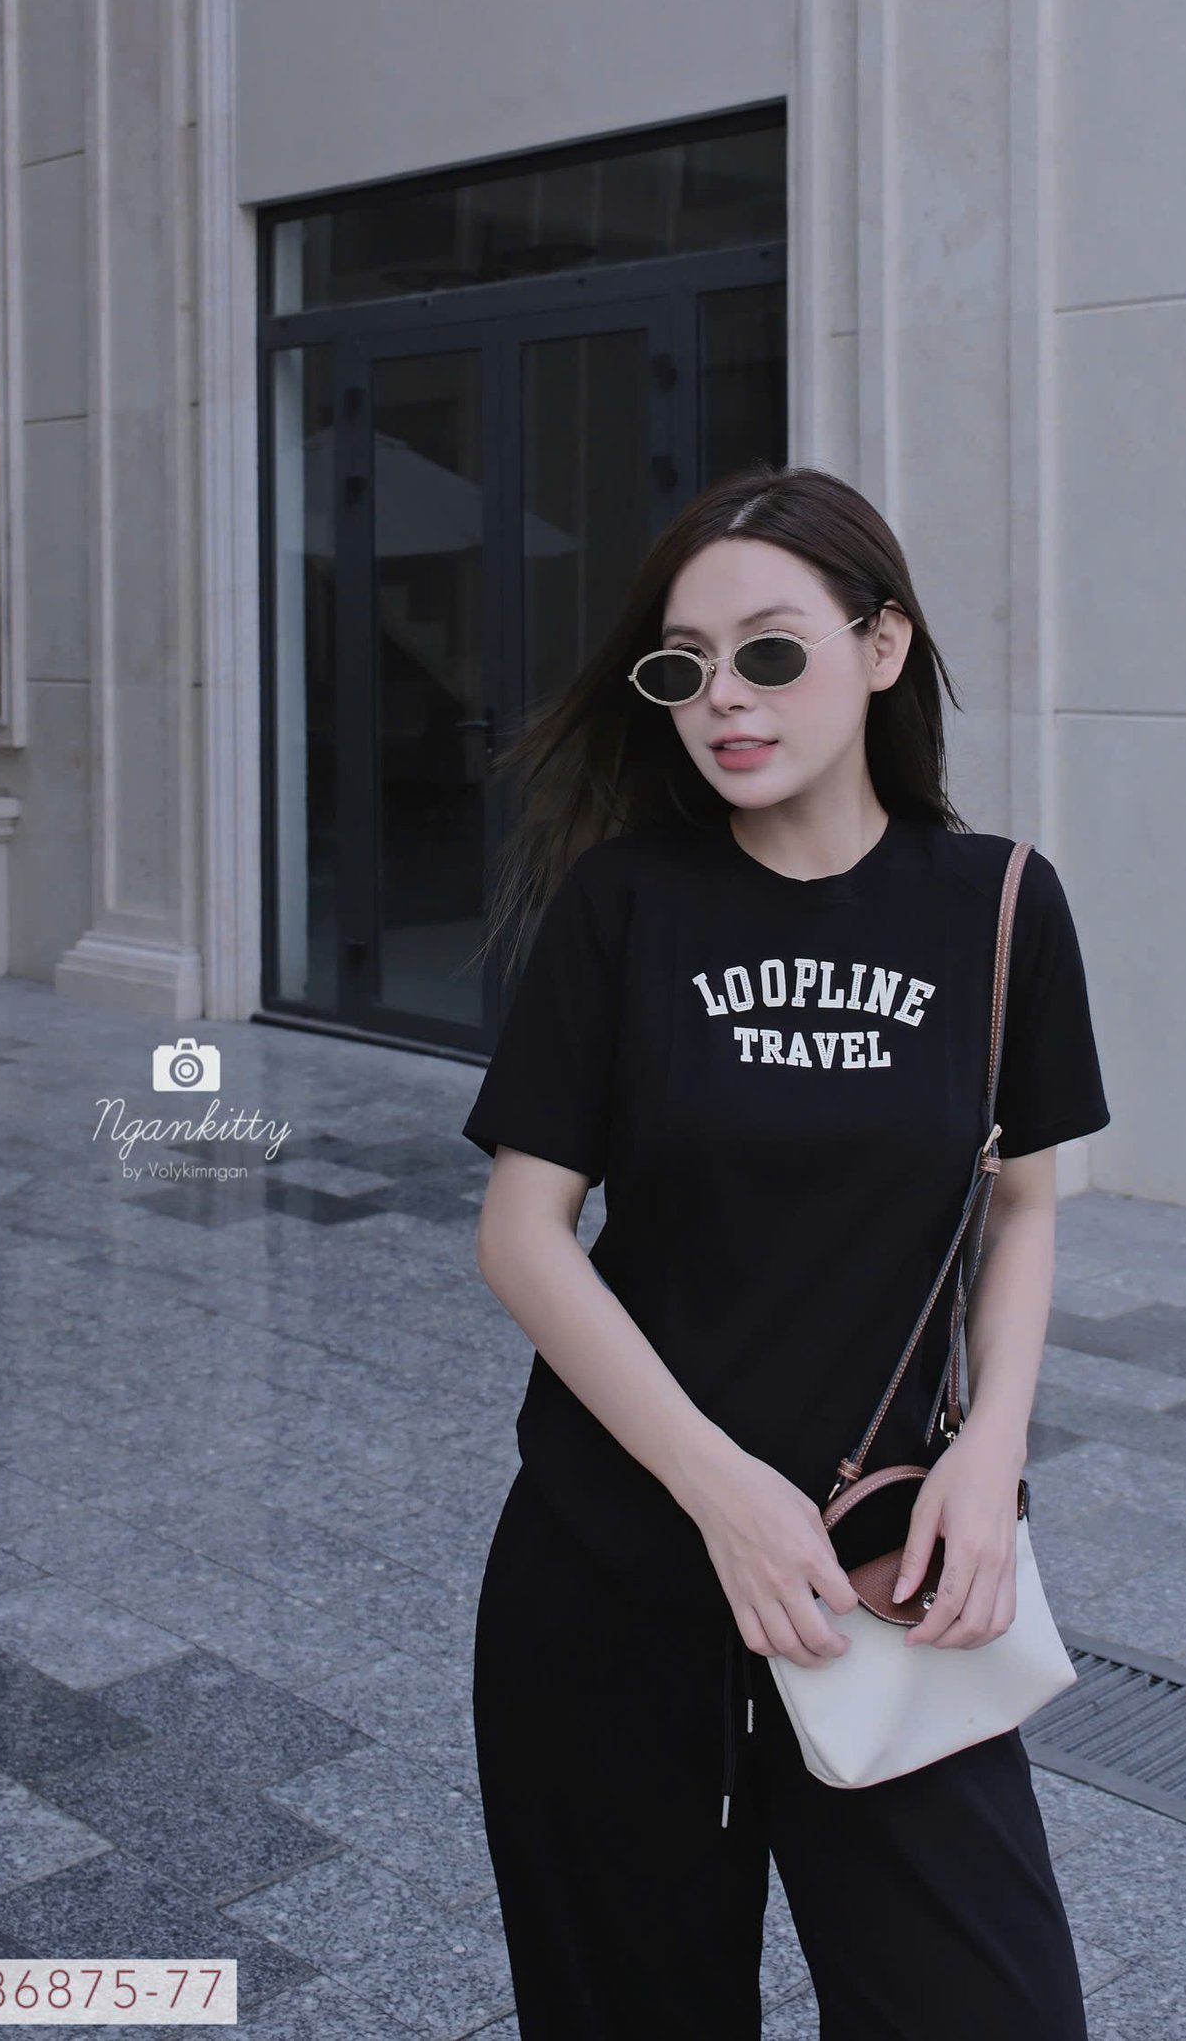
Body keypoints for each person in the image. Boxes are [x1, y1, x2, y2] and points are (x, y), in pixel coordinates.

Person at [460, 464, 1110, 2040]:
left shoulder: (999, 906)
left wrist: (993, 1452)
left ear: (882, 646)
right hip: (614, 1580)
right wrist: (722, 1491)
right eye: (682, 667)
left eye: (768, 651)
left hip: (882, 1581)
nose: (722, 700)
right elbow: (524, 1234)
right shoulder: (624, 905)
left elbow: (1026, 1202)